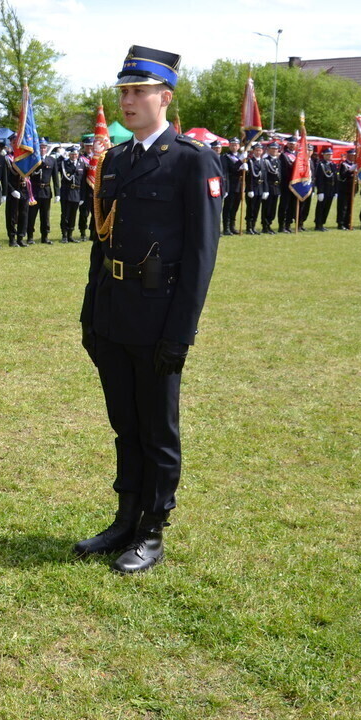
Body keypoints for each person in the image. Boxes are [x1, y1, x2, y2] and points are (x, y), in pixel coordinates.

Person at [76, 45, 221, 573]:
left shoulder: (191, 160)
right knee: (125, 424)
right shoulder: (115, 159)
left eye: (138, 91)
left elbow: (203, 256)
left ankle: (153, 530)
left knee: (157, 428)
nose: (129, 100)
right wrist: (91, 314)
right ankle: (125, 518)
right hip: (114, 315)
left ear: (165, 96)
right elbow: (102, 242)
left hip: (159, 317)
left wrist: (179, 335)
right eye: (123, 92)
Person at [27, 138, 57, 244]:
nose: (42, 149)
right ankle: (30, 236)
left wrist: (57, 193)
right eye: (40, 147)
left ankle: (45, 237)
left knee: (45, 216)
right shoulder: (32, 160)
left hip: (46, 191)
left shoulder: (51, 160)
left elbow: (55, 178)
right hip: (34, 191)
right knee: (32, 215)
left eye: (44, 147)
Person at [58, 147, 84, 242]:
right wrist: (61, 156)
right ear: (69, 155)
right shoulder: (64, 164)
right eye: (72, 154)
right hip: (66, 192)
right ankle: (64, 235)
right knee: (65, 214)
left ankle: (70, 235)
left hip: (77, 193)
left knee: (73, 215)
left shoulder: (81, 164)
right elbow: (56, 167)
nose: (74, 156)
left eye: (76, 154)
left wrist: (82, 197)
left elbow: (83, 182)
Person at [220, 138, 244, 235]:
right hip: (230, 185)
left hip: (239, 185)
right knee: (228, 207)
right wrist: (240, 162)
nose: (234, 147)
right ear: (229, 146)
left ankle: (232, 226)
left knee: (235, 207)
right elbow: (230, 170)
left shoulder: (240, 156)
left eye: (236, 145)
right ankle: (226, 227)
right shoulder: (225, 157)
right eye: (232, 145)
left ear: (239, 146)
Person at [312, 147, 337, 231]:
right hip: (324, 189)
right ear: (324, 155)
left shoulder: (332, 165)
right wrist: (320, 191)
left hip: (331, 189)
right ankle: (318, 224)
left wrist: (335, 191)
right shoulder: (321, 164)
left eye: (331, 154)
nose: (330, 156)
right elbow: (319, 179)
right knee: (321, 207)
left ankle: (322, 223)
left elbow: (335, 178)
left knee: (327, 207)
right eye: (328, 155)